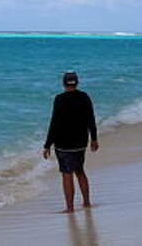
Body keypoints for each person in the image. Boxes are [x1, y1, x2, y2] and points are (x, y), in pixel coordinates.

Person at [43, 71, 99, 213]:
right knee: (80, 171)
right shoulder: (84, 97)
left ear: (64, 83)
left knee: (67, 174)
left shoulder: (59, 99)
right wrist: (94, 138)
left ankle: (70, 207)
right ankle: (86, 202)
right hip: (80, 142)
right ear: (77, 82)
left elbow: (54, 122)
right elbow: (90, 119)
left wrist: (47, 144)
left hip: (63, 143)